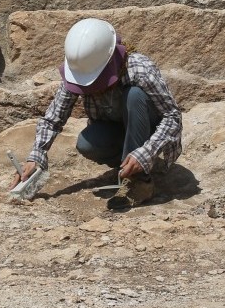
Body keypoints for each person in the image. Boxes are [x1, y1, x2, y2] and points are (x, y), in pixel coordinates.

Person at [13, 18, 182, 210]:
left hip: (149, 132)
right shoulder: (80, 70)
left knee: (134, 96)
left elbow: (172, 117)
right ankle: (126, 165)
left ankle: (139, 181)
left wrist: (146, 152)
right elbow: (53, 119)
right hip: (118, 131)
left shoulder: (139, 69)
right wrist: (36, 157)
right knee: (87, 143)